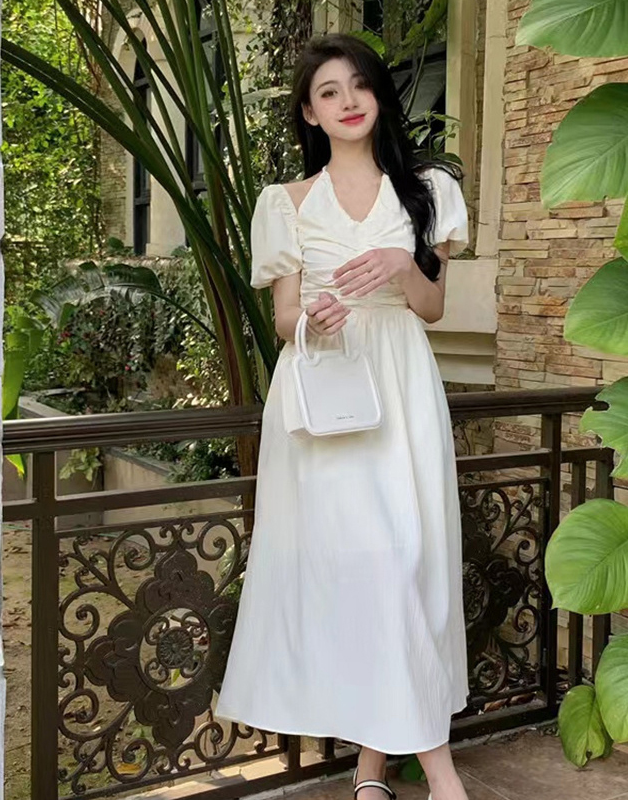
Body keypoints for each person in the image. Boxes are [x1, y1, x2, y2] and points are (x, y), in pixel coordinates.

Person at [214, 32, 470, 800]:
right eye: (329, 91)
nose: (348, 101)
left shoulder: (426, 191)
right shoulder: (286, 203)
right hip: (328, 394)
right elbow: (284, 319)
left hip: (403, 389)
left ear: (378, 95)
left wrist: (400, 264)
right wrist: (314, 320)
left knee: (407, 564)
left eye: (359, 85)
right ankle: (443, 779)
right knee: (377, 568)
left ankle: (370, 770)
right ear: (309, 112)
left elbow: (431, 308)